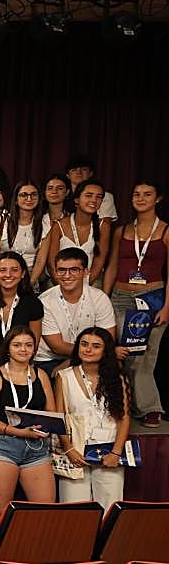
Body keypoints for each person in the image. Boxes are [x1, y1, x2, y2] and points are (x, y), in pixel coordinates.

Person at [103, 179, 169, 427]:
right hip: (121, 295)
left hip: (153, 296)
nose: (141, 198)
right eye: (136, 194)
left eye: (147, 194)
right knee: (127, 354)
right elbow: (112, 266)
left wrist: (167, 306)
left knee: (146, 356)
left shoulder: (165, 231)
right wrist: (105, 298)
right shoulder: (122, 230)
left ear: (158, 199)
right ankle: (128, 404)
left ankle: (150, 407)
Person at [0, 327, 56, 508]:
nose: (23, 349)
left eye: (28, 345)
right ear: (8, 348)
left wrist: (46, 426)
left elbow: (51, 413)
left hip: (36, 447)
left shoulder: (41, 375)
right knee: (1, 510)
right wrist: (19, 432)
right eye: (17, 345)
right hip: (3, 446)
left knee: (45, 510)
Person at [55, 327, 130, 511]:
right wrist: (68, 449)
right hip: (75, 451)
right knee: (74, 513)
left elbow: (124, 418)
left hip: (108, 451)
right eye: (84, 344)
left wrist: (116, 453)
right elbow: (59, 417)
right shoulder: (63, 376)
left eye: (96, 346)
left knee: (109, 509)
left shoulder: (117, 378)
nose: (88, 350)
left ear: (105, 351)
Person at [34, 248, 117, 377]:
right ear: (55, 272)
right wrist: (77, 359)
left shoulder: (99, 298)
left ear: (85, 272)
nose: (67, 276)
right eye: (61, 270)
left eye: (74, 270)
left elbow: (107, 339)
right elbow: (57, 346)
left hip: (89, 356)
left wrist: (73, 361)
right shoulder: (44, 301)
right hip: (50, 360)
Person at [0, 252, 44, 374]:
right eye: (3, 270)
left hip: (20, 369)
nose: (8, 275)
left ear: (23, 274)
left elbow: (33, 343)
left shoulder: (33, 303)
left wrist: (19, 371)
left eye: (14, 270)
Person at [48, 179, 111, 283]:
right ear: (77, 200)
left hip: (90, 281)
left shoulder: (103, 226)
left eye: (98, 197)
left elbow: (99, 262)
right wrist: (63, 285)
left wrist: (85, 286)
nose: (94, 200)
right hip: (61, 281)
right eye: (89, 195)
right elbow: (52, 262)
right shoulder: (59, 225)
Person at [0, 180, 50, 278]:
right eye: (24, 195)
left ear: (39, 199)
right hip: (3, 275)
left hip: (30, 275)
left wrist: (29, 285)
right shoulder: (1, 220)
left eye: (33, 194)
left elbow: (40, 261)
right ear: (16, 200)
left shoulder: (45, 225)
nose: (29, 198)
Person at [66, 153, 119, 223]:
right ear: (68, 175)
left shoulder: (105, 196)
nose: (79, 172)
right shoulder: (62, 194)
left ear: (91, 173)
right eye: (74, 170)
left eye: (83, 169)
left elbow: (105, 224)